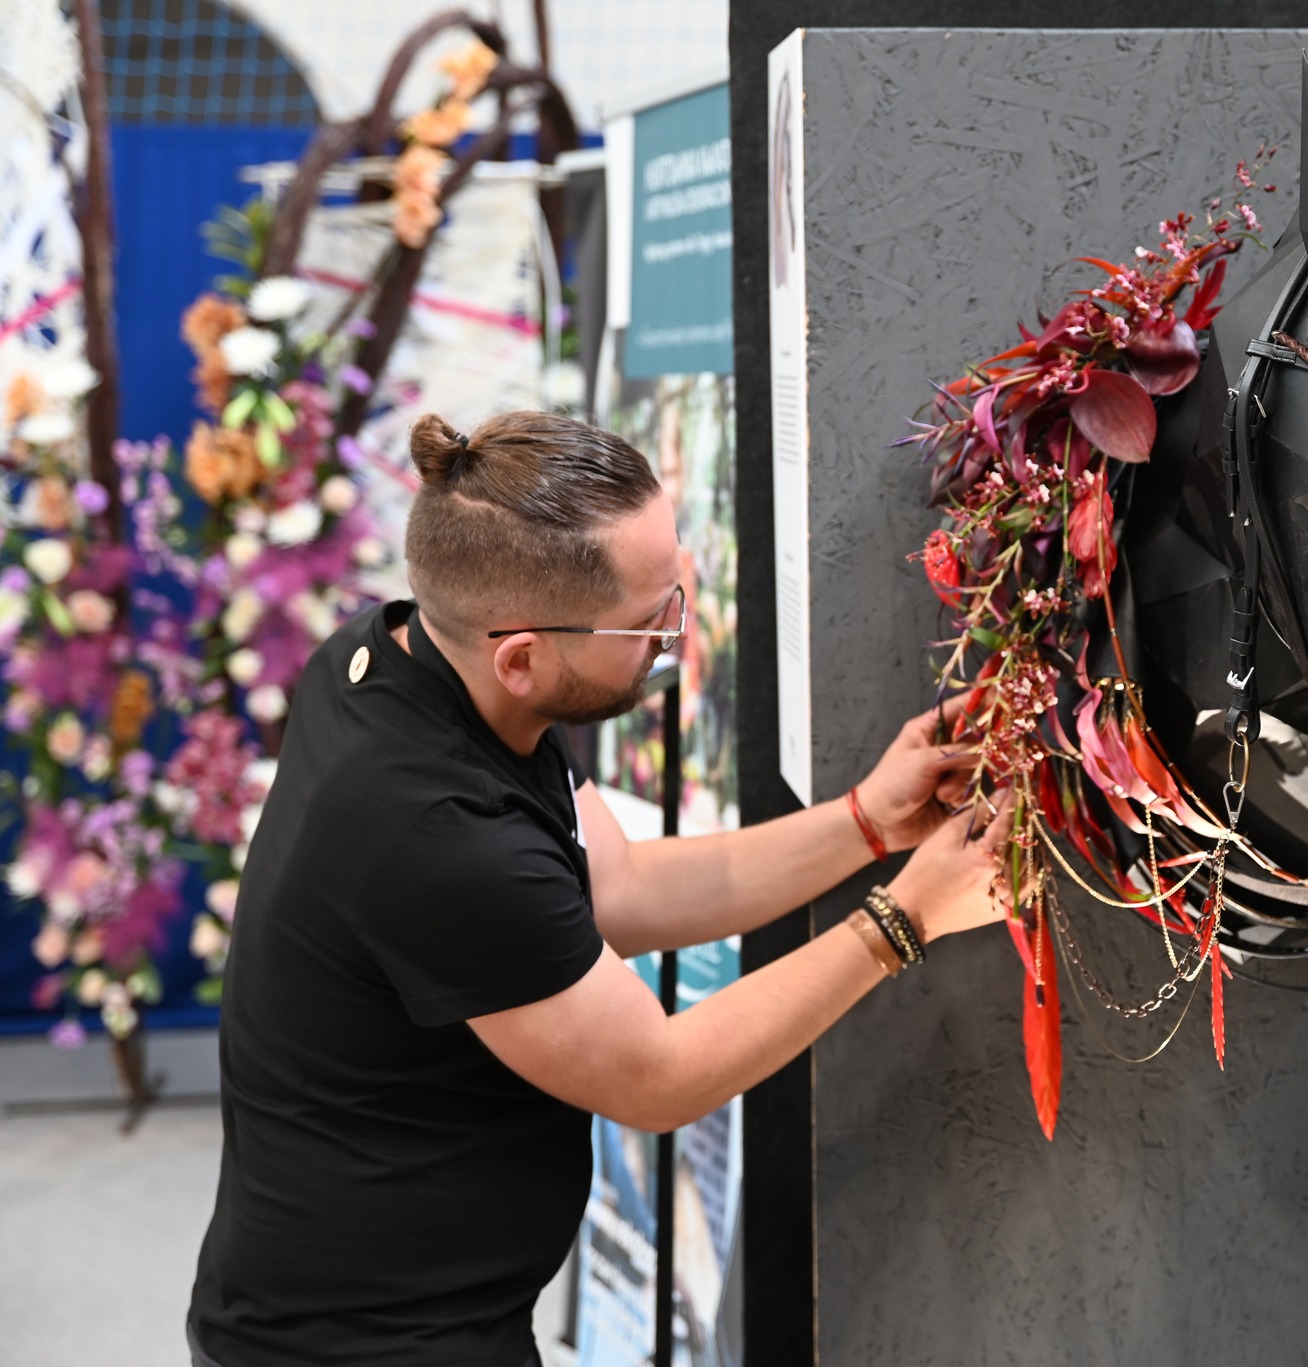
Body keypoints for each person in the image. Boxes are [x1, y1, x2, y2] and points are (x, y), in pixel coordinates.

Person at [186, 412, 1009, 1366]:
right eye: (649, 616)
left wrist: (867, 821)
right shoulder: (435, 836)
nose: (673, 627)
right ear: (523, 655)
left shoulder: (403, 659)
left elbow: (614, 885)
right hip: (363, 1343)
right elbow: (659, 1077)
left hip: (425, 1306)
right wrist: (907, 917)